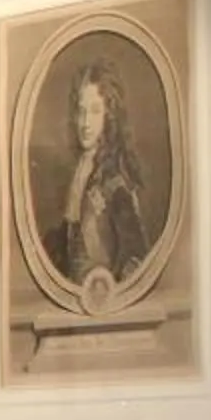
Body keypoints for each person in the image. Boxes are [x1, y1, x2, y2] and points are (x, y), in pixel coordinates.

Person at [46, 59, 151, 296]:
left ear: (109, 115)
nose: (85, 123)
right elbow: (68, 242)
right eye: (81, 111)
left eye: (95, 111)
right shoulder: (79, 169)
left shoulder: (115, 180)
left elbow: (135, 255)